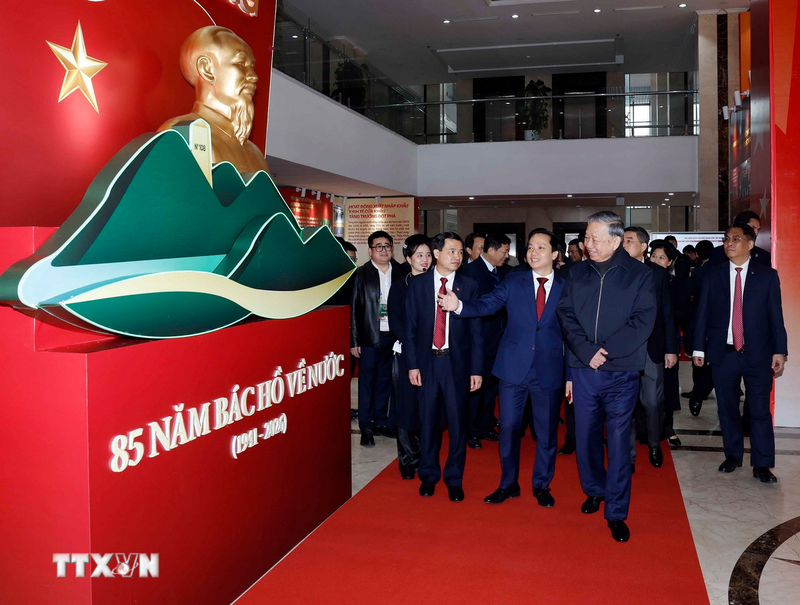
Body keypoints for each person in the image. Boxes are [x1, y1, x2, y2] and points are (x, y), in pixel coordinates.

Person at [440, 228, 568, 508]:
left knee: (546, 432)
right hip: (512, 369)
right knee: (508, 428)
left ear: (555, 254)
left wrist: (571, 375)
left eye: (541, 247)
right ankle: (508, 484)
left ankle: (541, 484)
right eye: (530, 247)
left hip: (549, 370)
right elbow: (487, 304)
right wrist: (459, 306)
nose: (533, 252)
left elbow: (573, 333)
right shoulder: (514, 281)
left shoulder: (567, 285)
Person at [556, 211, 656, 543]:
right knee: (585, 437)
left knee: (618, 441)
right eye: (586, 237)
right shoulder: (576, 272)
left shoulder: (639, 274)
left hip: (621, 371)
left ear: (615, 241)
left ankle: (616, 511)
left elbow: (643, 320)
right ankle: (594, 490)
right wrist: (586, 351)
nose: (588, 244)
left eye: (594, 239)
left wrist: (607, 351)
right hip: (584, 369)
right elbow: (565, 313)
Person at [692, 224, 787, 483]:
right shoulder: (713, 275)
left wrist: (780, 350)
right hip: (723, 355)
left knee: (759, 410)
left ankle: (763, 465)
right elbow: (702, 314)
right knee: (727, 408)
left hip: (758, 354)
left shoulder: (767, 276)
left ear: (750, 244)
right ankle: (733, 455)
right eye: (726, 239)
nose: (729, 243)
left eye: (736, 239)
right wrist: (699, 348)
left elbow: (776, 317)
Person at [405, 232, 483, 502]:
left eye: (460, 252)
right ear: (436, 254)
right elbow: (410, 329)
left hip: (457, 364)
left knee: (458, 423)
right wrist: (412, 365)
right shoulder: (417, 285)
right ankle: (428, 476)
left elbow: (477, 333)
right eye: (451, 251)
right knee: (427, 422)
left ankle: (454, 479)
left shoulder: (469, 286)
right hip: (427, 363)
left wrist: (476, 369)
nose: (457, 257)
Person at [159, 26, 270, 174]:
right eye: (240, 63)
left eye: (252, 66)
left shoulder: (255, 153)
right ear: (206, 69)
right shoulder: (181, 133)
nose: (253, 76)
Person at [622, 228, 678, 470]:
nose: (624, 244)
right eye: (622, 240)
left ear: (644, 246)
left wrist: (671, 348)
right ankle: (628, 456)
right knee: (625, 403)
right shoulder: (614, 271)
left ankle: (654, 444)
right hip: (622, 348)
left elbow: (667, 313)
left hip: (651, 347)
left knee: (653, 402)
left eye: (629, 241)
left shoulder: (657, 274)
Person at [350, 231, 403, 446]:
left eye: (387, 245)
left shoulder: (400, 272)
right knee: (367, 382)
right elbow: (354, 309)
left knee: (386, 380)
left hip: (394, 336)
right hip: (370, 336)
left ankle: (381, 421)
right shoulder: (361, 274)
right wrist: (355, 341)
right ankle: (366, 426)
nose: (383, 250)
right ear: (370, 250)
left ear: (392, 248)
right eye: (378, 246)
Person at [388, 235, 432, 480]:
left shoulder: (438, 283)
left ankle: (427, 456)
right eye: (419, 255)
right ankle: (408, 459)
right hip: (406, 353)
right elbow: (396, 322)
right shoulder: (399, 286)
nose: (424, 260)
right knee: (406, 406)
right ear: (408, 258)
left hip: (434, 355)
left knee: (428, 406)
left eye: (428, 255)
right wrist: (415, 344)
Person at [461, 233, 510, 449]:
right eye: (504, 251)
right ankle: (471, 429)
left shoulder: (501, 272)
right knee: (475, 387)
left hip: (497, 340)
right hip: (477, 340)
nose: (506, 256)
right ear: (491, 250)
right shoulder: (470, 273)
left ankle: (486, 424)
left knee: (491, 386)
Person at [649, 240, 683, 449]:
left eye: (661, 257)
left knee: (667, 388)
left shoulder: (674, 283)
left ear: (669, 262)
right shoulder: (644, 278)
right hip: (648, 342)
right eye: (653, 256)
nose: (656, 260)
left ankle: (668, 428)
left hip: (667, 340)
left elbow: (681, 312)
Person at [685, 240, 716, 416]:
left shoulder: (699, 272)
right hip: (712, 323)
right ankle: (699, 392)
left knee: (702, 361)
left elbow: (687, 292)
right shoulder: (714, 270)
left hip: (701, 321)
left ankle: (698, 391)